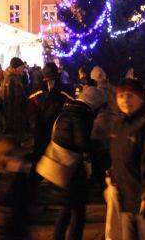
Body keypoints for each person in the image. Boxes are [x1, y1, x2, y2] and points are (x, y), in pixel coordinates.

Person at [110, 78, 145, 240]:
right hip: (126, 197)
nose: (125, 100)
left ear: (141, 98)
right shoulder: (120, 123)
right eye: (121, 96)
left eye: (130, 96)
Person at [50, 86, 108, 240]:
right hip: (71, 171)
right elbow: (83, 144)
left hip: (59, 167)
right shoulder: (80, 116)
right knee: (78, 213)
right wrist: (99, 146)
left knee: (67, 209)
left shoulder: (66, 111)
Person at [0, 135, 32, 240]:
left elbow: (27, 197)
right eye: (15, 154)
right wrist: (12, 173)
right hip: (2, 229)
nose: (19, 158)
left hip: (18, 227)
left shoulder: (17, 174)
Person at [30, 62, 72, 163]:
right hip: (55, 128)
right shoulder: (64, 90)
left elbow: (31, 108)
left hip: (44, 128)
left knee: (41, 155)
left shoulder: (38, 89)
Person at [1, 58, 29, 137]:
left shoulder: (15, 78)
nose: (23, 69)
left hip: (17, 114)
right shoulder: (10, 80)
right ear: (15, 68)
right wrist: (12, 120)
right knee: (14, 138)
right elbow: (9, 102)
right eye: (21, 67)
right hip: (15, 116)